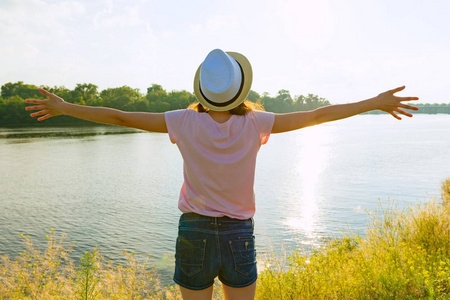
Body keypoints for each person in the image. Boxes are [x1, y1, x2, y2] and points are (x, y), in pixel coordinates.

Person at [24, 49, 419, 300]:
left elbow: (119, 116)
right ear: (240, 88)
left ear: (203, 90)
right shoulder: (257, 123)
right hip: (238, 234)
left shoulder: (181, 121)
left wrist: (66, 107)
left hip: (193, 231)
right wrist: (374, 102)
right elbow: (318, 114)